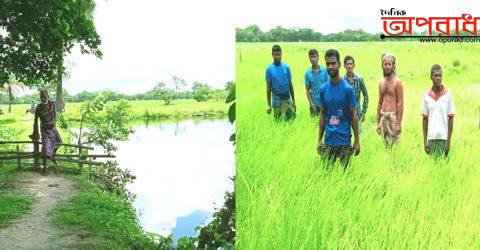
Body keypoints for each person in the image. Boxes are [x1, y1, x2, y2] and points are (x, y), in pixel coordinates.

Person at [317, 49, 360, 169]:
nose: (330, 67)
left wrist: (357, 140)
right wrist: (319, 139)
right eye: (327, 64)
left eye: (333, 63)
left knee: (347, 175)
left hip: (344, 141)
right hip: (328, 140)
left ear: (339, 64)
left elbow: (353, 116)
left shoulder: (348, 89)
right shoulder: (323, 89)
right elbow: (323, 114)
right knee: (326, 175)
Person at [422, 64, 454, 158]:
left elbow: (451, 118)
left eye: (440, 75)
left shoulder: (448, 94)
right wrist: (425, 141)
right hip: (431, 138)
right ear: (431, 77)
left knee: (444, 166)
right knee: (433, 166)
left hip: (443, 138)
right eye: (436, 75)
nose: (438, 78)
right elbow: (425, 119)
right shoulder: (427, 95)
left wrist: (448, 142)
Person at [377, 52, 404, 147]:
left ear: (393, 66)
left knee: (395, 146)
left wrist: (399, 123)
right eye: (385, 64)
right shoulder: (381, 82)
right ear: (382, 66)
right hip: (383, 117)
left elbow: (400, 104)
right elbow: (380, 103)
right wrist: (378, 123)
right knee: (385, 145)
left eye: (389, 64)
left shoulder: (397, 82)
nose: (387, 66)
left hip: (393, 118)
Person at [32, 90, 62, 175]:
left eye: (45, 96)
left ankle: (51, 155)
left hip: (53, 128)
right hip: (44, 129)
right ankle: (44, 168)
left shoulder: (52, 103)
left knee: (59, 142)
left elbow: (55, 114)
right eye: (42, 96)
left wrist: (54, 121)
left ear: (48, 96)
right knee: (45, 148)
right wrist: (35, 132)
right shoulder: (38, 107)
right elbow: (35, 121)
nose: (43, 98)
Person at [265, 44, 296, 120]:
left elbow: (290, 85)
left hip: (287, 97)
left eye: (279, 54)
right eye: (275, 55)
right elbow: (268, 89)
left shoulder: (286, 67)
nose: (277, 57)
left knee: (290, 119)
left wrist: (293, 101)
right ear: (272, 55)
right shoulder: (269, 69)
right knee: (277, 120)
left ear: (281, 54)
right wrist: (269, 105)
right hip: (276, 98)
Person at [342, 55, 368, 133]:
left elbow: (366, 95)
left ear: (354, 65)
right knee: (346, 136)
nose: (349, 66)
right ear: (344, 65)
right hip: (345, 115)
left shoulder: (359, 79)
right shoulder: (342, 81)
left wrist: (363, 112)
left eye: (351, 64)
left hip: (357, 114)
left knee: (358, 137)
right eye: (347, 64)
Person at [305, 49, 329, 116]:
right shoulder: (308, 73)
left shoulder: (325, 70)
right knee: (314, 125)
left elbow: (329, 87)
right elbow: (307, 90)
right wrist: (311, 104)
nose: (313, 59)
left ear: (318, 57)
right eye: (311, 57)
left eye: (315, 57)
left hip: (325, 104)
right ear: (309, 58)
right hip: (314, 105)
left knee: (325, 125)